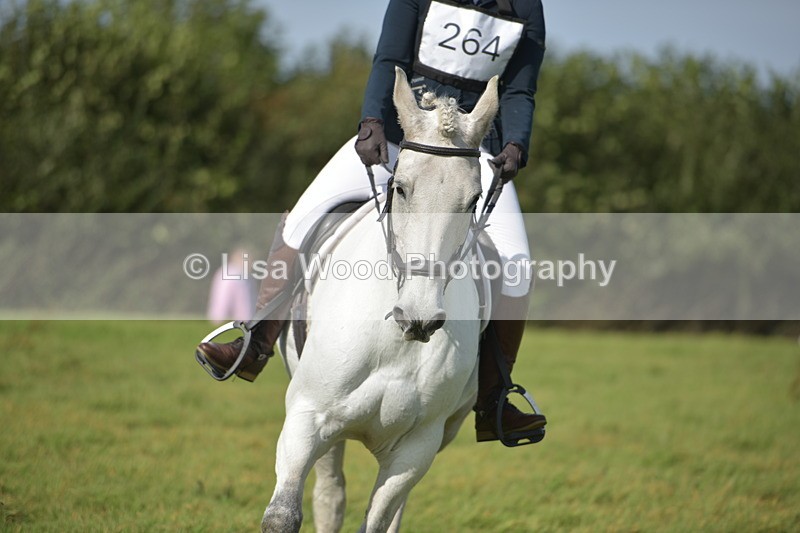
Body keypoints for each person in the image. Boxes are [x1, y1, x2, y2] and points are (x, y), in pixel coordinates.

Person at [197, 0, 547, 441]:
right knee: (302, 218)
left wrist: (516, 144)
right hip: (400, 137)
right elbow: (390, 59)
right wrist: (371, 122)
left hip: (471, 154)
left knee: (515, 266)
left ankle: (494, 400)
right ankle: (256, 343)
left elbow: (519, 90)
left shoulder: (526, 7)